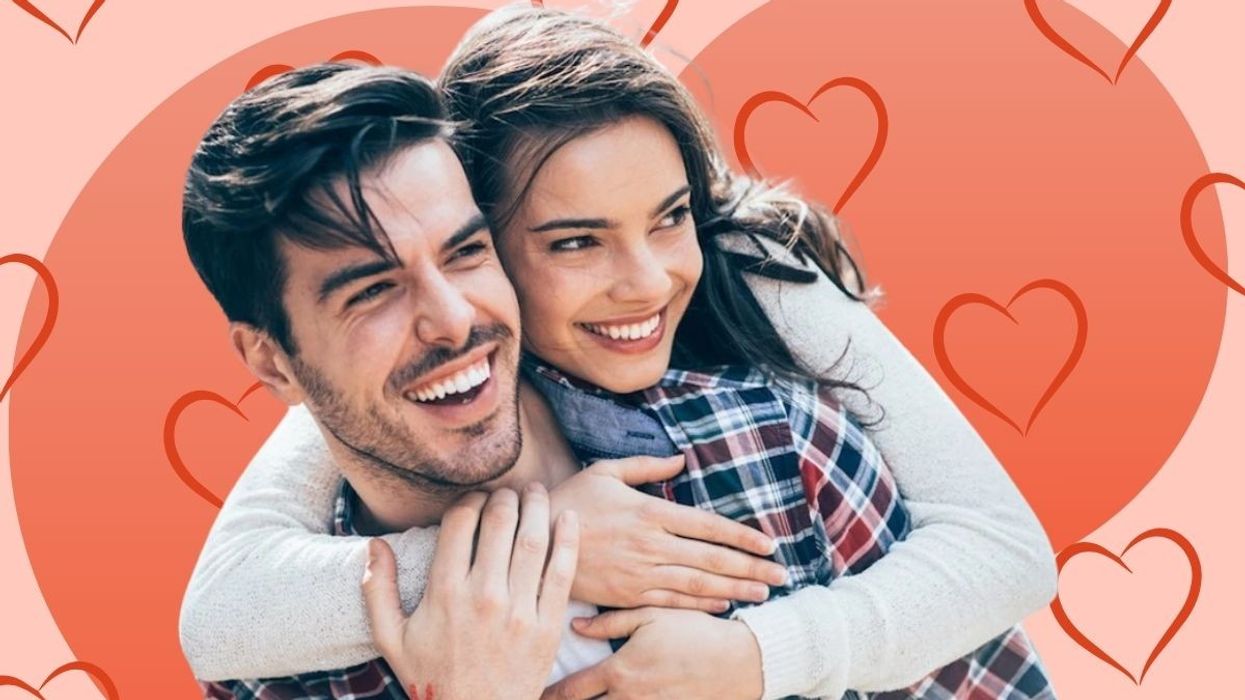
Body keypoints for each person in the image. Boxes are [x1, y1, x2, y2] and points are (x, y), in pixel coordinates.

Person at [181, 7, 1058, 699]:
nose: (644, 283)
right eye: (573, 242)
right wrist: (537, 551)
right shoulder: (294, 638)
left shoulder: (766, 407)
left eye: (670, 217)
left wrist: (759, 656)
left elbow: (1002, 557)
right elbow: (223, 611)